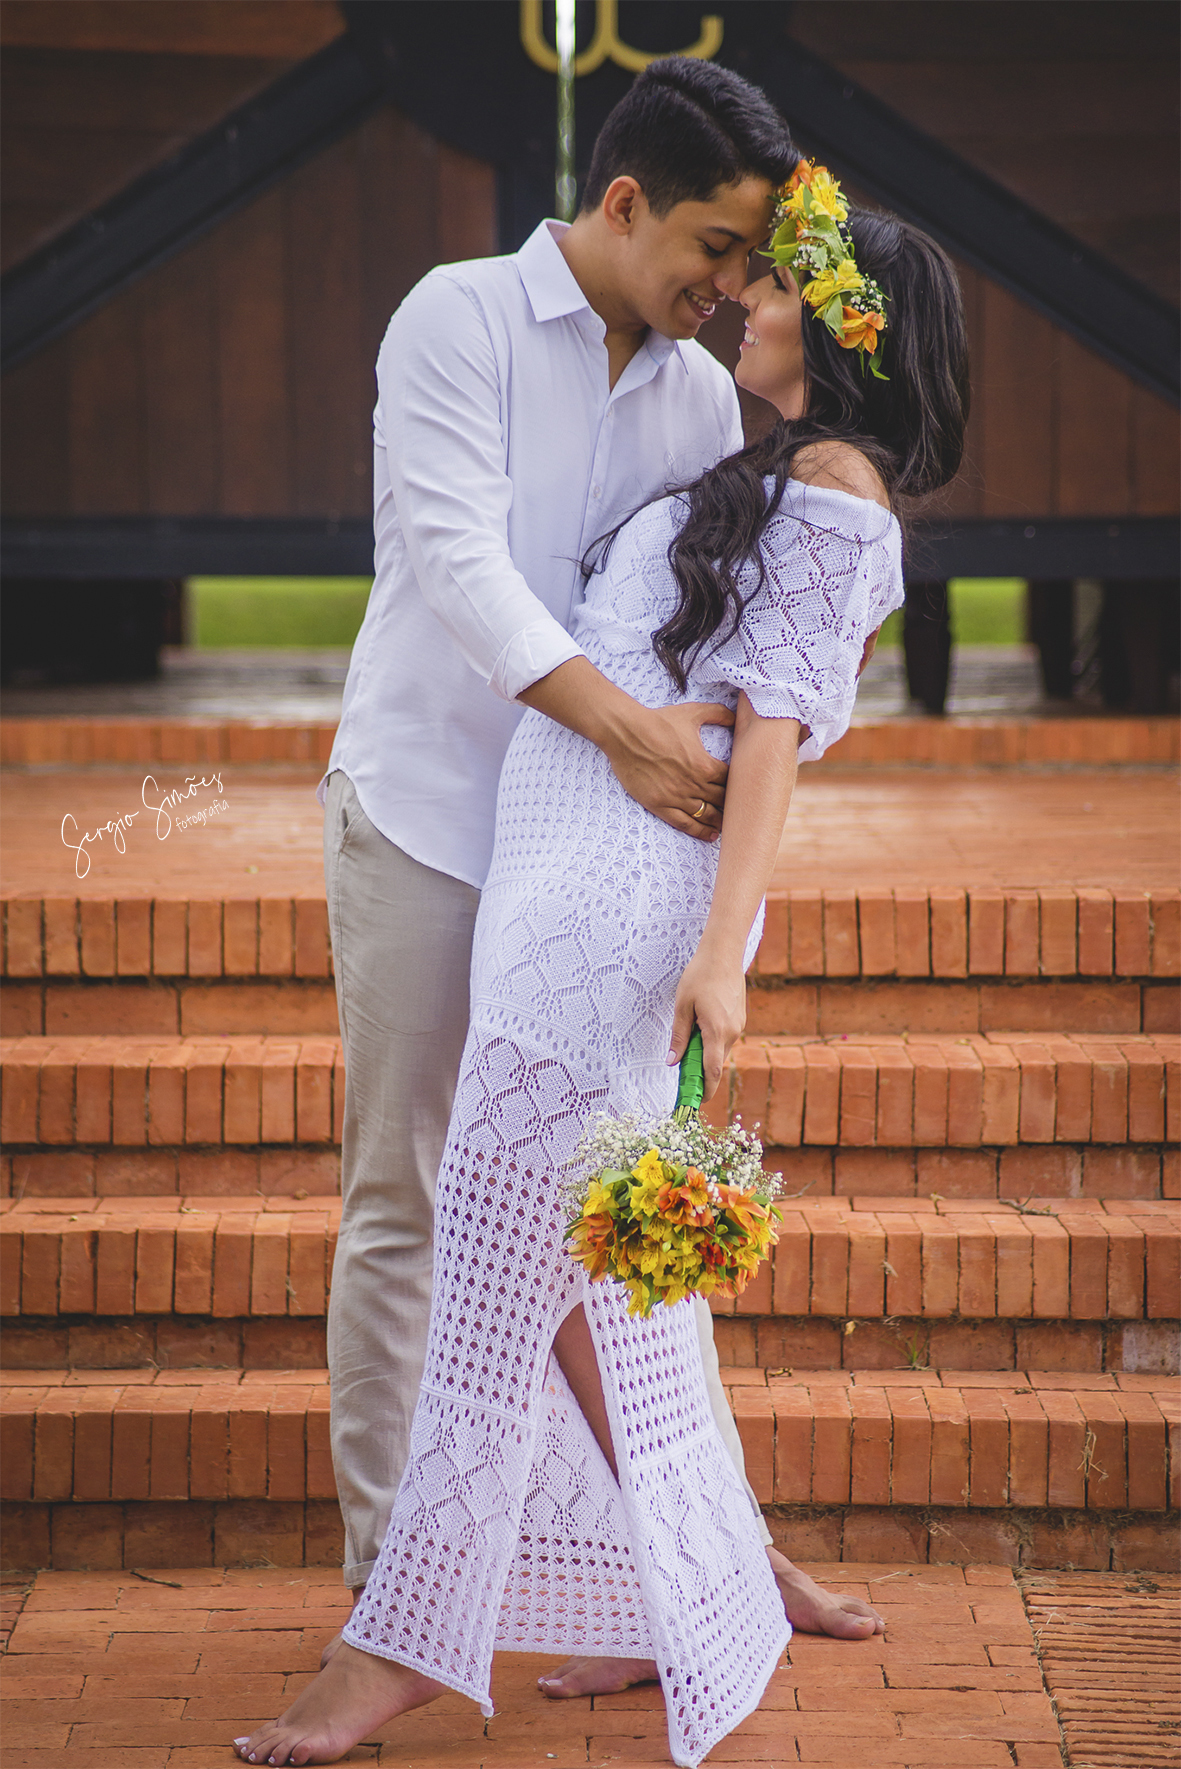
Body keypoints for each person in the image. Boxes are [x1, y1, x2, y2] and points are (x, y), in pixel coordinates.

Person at [234, 165, 970, 1767]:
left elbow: (772, 732)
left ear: (838, 331)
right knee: (570, 1268)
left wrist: (721, 957)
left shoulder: (836, 483)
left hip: (615, 907)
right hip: (556, 879)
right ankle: (681, 1585)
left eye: (772, 284)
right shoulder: (757, 457)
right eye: (739, 267)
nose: (741, 298)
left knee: (498, 1262)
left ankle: (402, 1638)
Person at [314, 51, 882, 1686]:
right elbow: (456, 562)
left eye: (750, 260)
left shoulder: (701, 396)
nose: (731, 287)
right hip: (430, 816)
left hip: (585, 875)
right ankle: (395, 1593)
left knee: (609, 1225)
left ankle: (695, 1559)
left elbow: (704, 613)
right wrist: (631, 733)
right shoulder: (456, 319)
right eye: (714, 247)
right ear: (623, 202)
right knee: (411, 1202)